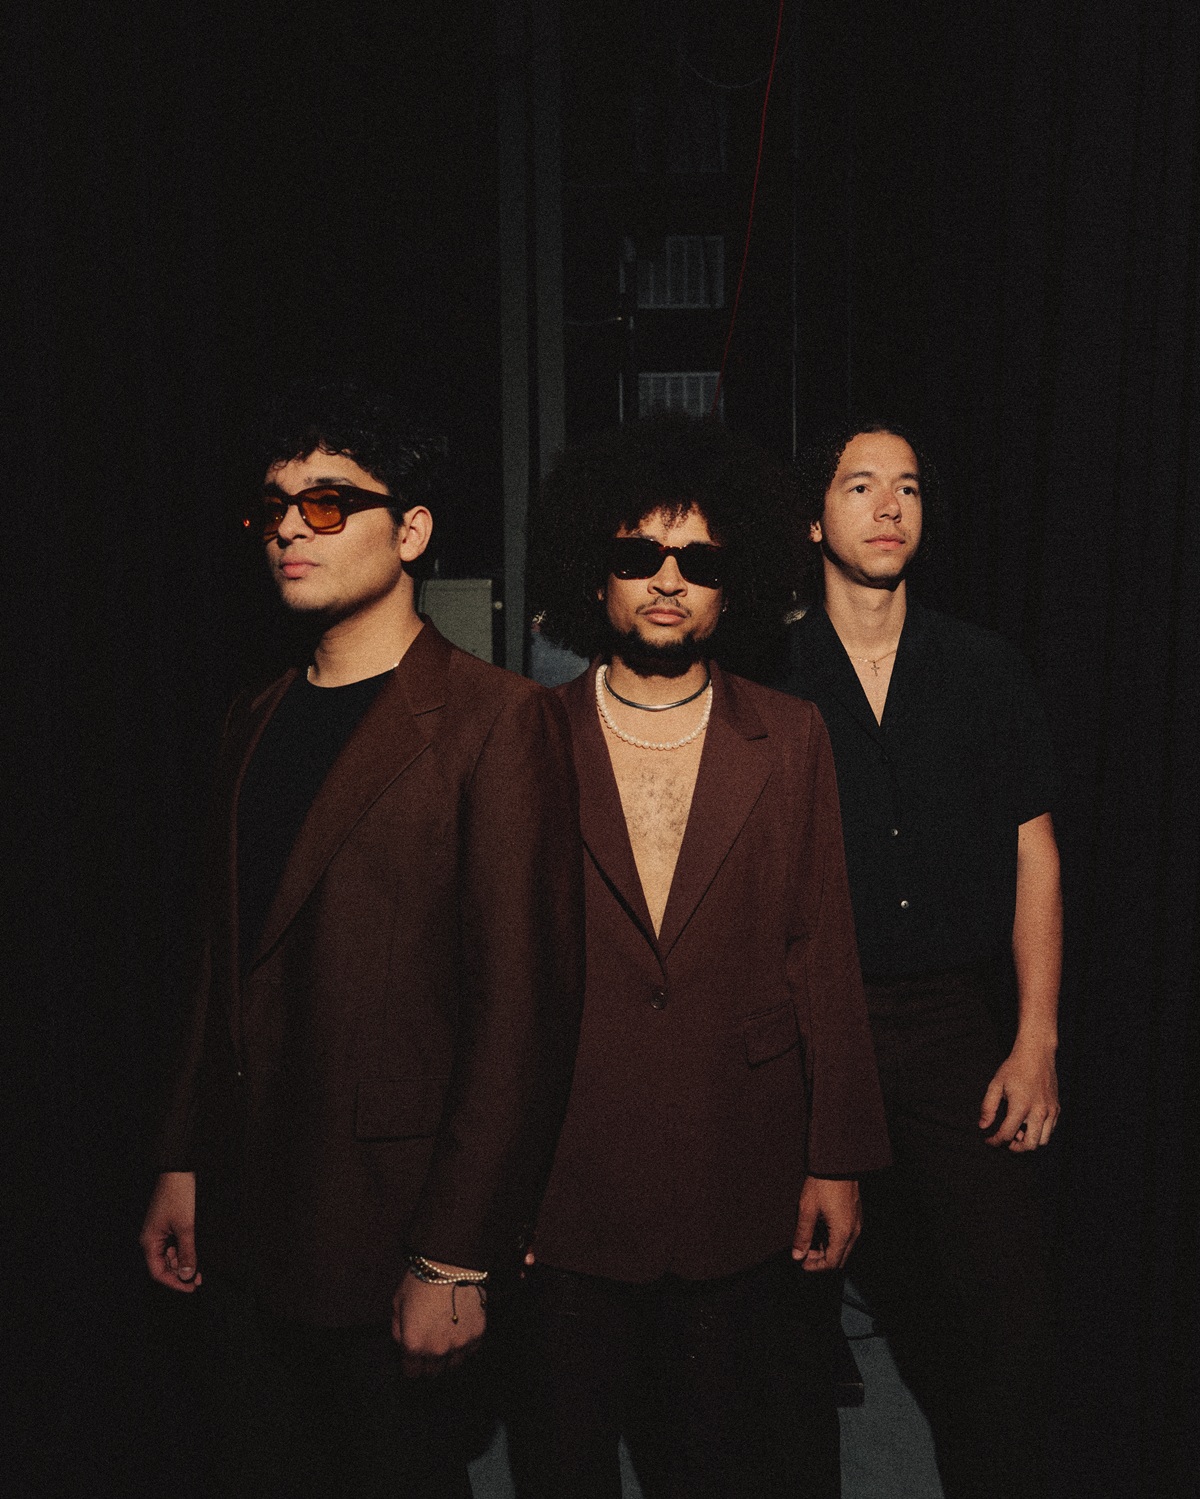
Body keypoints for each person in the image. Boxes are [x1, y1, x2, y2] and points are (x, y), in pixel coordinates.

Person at [139, 377, 584, 1499]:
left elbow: (521, 1014)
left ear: (413, 530)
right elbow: (221, 958)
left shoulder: (499, 720)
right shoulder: (255, 712)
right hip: (245, 1215)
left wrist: (457, 1254)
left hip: (390, 1230)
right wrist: (183, 1156)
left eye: (329, 503)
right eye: (275, 506)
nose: (291, 526)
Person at [512, 415, 890, 1499]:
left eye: (701, 561)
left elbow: (825, 952)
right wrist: (490, 1188)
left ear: (737, 585)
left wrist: (838, 1157)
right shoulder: (524, 737)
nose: (669, 580)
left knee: (727, 1465)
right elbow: (495, 980)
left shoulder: (794, 736)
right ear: (595, 573)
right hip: (568, 1187)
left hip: (742, 1177)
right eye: (640, 554)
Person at [777, 422, 1062, 1498]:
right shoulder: (769, 670)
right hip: (811, 1024)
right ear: (816, 519)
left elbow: (1034, 851)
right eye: (860, 485)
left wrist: (1035, 1039)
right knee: (790, 1325)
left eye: (906, 487)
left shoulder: (984, 668)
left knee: (1007, 1317)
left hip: (952, 1021)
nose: (889, 505)